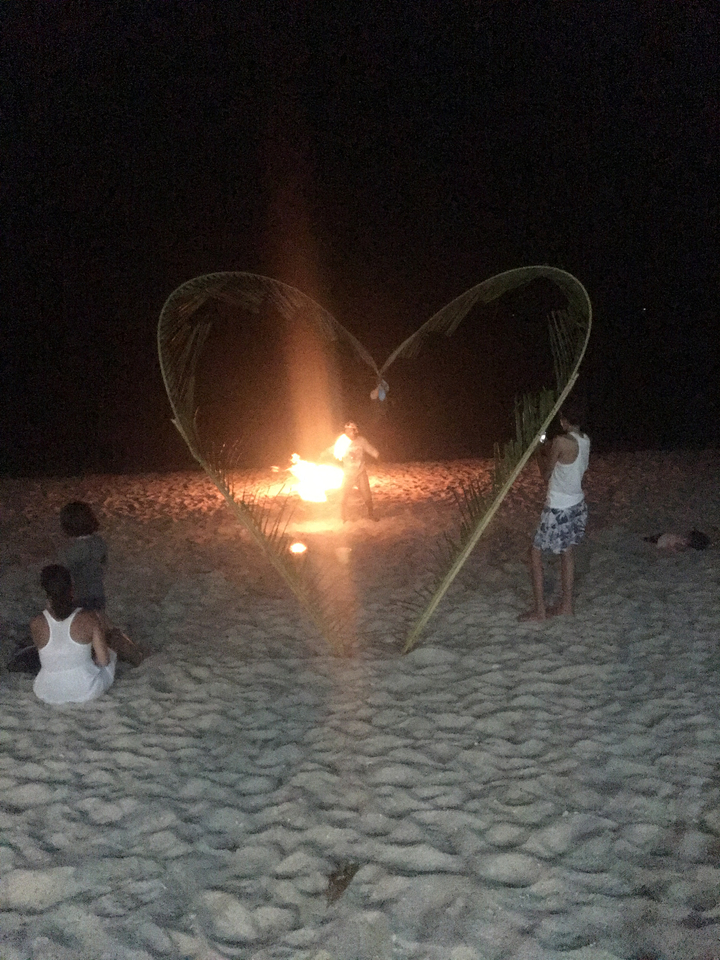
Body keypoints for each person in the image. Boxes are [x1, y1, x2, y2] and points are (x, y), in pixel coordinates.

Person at [519, 401, 590, 621]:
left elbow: (546, 474)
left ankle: (540, 610)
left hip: (558, 507)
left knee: (535, 553)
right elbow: (567, 460)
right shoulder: (586, 440)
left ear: (563, 420)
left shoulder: (560, 441)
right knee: (567, 552)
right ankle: (566, 606)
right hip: (576, 504)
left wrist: (537, 452)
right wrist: (545, 447)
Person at [59, 501, 144, 665]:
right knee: (103, 624)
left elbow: (65, 572)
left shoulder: (73, 550)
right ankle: (132, 652)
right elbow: (103, 563)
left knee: (88, 628)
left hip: (80, 594)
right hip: (98, 591)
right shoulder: (99, 542)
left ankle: (114, 653)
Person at [30, 565, 116, 704]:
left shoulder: (36, 623)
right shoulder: (89, 617)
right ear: (71, 587)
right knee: (112, 648)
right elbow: (104, 661)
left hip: (46, 691)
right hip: (86, 690)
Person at [336, 422, 380, 522]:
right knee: (344, 495)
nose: (351, 433)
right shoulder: (341, 442)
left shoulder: (361, 441)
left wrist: (377, 455)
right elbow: (334, 454)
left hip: (360, 472)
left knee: (366, 494)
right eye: (348, 431)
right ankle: (343, 517)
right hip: (348, 474)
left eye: (352, 430)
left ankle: (371, 514)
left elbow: (370, 449)